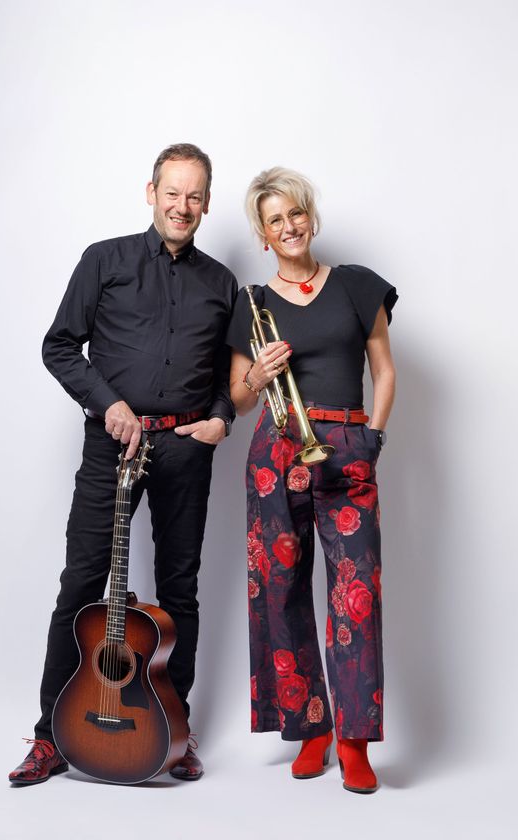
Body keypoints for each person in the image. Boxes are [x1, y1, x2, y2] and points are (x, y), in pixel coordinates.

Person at [9, 143, 237, 785]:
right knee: (81, 583)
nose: (182, 206)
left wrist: (221, 418)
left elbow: (228, 374)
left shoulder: (223, 282)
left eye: (194, 196)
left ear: (207, 204)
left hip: (185, 450)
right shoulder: (103, 260)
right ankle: (50, 737)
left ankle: (175, 732)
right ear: (151, 193)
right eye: (173, 192)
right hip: (112, 444)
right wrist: (108, 404)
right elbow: (59, 345)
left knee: (180, 589)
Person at [226, 167, 397, 793]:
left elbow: (384, 371)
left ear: (310, 216)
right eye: (275, 220)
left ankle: (355, 741)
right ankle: (311, 729)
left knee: (357, 593)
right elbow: (239, 398)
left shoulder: (355, 285)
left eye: (296, 213)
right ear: (263, 234)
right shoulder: (253, 304)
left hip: (346, 445)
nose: (289, 226)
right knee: (281, 589)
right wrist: (257, 374)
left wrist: (372, 438)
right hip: (276, 452)